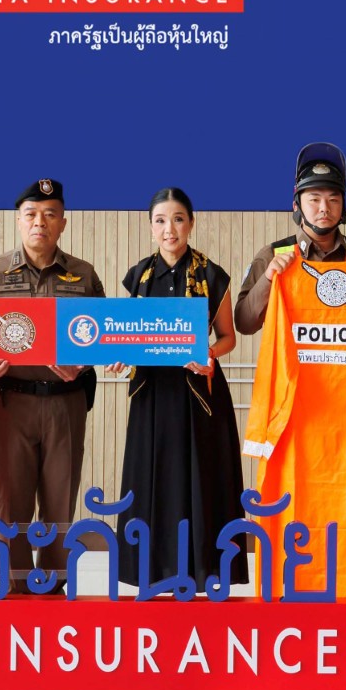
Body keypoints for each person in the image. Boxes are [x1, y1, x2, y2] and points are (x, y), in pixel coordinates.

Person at [0, 179, 105, 594]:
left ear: (63, 223)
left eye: (49, 214)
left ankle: (54, 585)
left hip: (66, 402)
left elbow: (103, 334)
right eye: (31, 214)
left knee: (60, 500)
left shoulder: (83, 275)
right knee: (12, 501)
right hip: (11, 401)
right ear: (19, 220)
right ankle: (17, 585)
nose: (39, 222)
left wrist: (84, 362)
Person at [110, 188, 244, 592]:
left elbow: (228, 337)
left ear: (191, 223)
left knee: (200, 480)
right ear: (151, 226)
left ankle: (203, 571)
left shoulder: (211, 274)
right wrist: (120, 354)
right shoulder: (138, 275)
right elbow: (132, 335)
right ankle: (152, 573)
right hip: (151, 393)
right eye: (161, 220)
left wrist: (209, 353)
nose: (170, 229)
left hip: (198, 394)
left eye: (178, 219)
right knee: (153, 480)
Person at [234, 142, 346, 337]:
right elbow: (243, 325)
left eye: (333, 200)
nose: (324, 208)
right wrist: (268, 279)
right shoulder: (272, 255)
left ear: (343, 207)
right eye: (314, 199)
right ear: (296, 206)